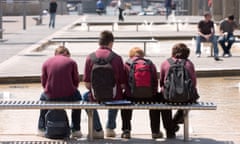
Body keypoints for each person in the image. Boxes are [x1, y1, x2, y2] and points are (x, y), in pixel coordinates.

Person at [121, 47, 176, 139]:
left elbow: (123, 83)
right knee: (158, 101)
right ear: (142, 55)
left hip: (131, 96)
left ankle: (126, 130)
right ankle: (155, 131)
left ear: (131, 55)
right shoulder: (150, 64)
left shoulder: (127, 64)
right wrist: (153, 93)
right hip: (149, 97)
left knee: (125, 100)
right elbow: (156, 82)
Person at [83, 30, 126, 139]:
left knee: (85, 97)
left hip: (95, 96)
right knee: (118, 93)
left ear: (99, 42)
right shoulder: (117, 58)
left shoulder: (90, 57)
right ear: (111, 43)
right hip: (113, 97)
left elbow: (87, 85)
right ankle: (110, 128)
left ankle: (97, 130)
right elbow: (122, 85)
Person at [38, 46, 82, 138]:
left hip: (50, 95)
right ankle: (76, 129)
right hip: (69, 95)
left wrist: (50, 90)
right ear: (67, 53)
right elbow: (76, 81)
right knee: (78, 99)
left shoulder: (46, 62)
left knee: (43, 99)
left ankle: (41, 128)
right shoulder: (72, 62)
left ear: (55, 54)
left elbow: (44, 83)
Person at [160, 43, 199, 135]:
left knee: (162, 102)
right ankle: (175, 121)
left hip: (168, 98)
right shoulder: (189, 64)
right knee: (193, 98)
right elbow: (193, 83)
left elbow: (161, 82)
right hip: (186, 98)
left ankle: (169, 129)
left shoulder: (165, 63)